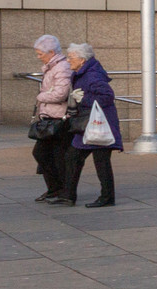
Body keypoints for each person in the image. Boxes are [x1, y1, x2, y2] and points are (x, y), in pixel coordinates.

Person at [63, 43, 120, 208]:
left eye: (70, 58)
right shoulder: (84, 73)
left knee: (99, 161)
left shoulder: (92, 75)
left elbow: (107, 97)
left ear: (82, 60)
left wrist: (83, 99)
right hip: (90, 124)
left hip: (99, 125)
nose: (68, 61)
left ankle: (107, 197)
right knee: (74, 157)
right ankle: (68, 195)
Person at [31, 35, 73, 204]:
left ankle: (59, 190)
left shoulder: (61, 68)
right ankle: (55, 189)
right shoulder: (52, 67)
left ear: (51, 52)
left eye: (40, 53)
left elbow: (60, 94)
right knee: (47, 154)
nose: (38, 56)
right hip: (51, 117)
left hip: (58, 119)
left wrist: (41, 96)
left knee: (50, 154)